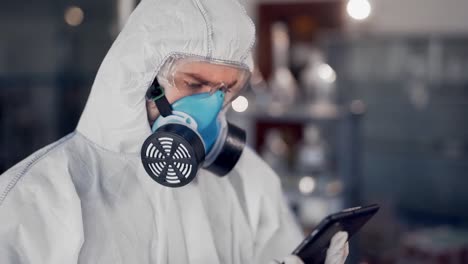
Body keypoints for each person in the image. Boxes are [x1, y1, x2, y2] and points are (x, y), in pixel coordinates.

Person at [0, 0, 349, 263]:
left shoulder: (248, 181)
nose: (210, 106)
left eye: (224, 89)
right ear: (142, 75)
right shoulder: (40, 195)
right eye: (195, 83)